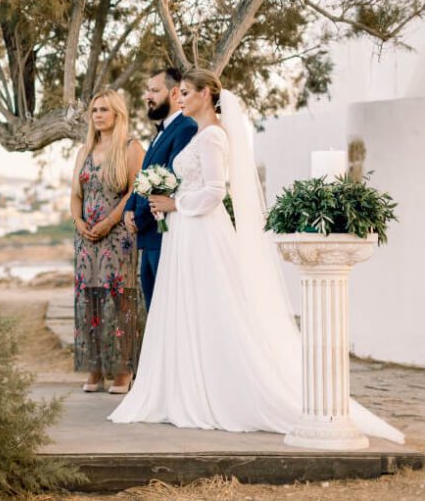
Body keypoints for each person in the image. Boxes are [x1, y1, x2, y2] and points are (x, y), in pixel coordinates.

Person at [108, 69, 403, 444]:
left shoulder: (213, 136)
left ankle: (214, 391)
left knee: (213, 308)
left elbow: (215, 191)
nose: (180, 98)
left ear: (205, 94)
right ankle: (184, 386)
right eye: (178, 92)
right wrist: (169, 204)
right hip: (185, 231)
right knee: (188, 308)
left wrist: (174, 202)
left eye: (186, 92)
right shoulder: (199, 134)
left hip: (201, 232)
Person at [70, 90, 145, 394]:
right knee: (90, 301)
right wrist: (79, 222)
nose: (98, 115)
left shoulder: (130, 147)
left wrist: (108, 222)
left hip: (118, 236)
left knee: (121, 300)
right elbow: (76, 194)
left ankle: (124, 371)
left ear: (117, 114)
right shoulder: (84, 151)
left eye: (104, 109)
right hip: (86, 238)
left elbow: (133, 192)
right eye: (94, 110)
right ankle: (95, 368)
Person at [123, 68, 197, 310]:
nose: (148, 96)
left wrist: (140, 217)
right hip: (148, 237)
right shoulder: (158, 134)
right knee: (153, 313)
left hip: (164, 235)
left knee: (165, 311)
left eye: (154, 90)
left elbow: (170, 181)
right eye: (147, 91)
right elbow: (143, 178)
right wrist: (129, 209)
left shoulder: (186, 128)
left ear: (175, 93)